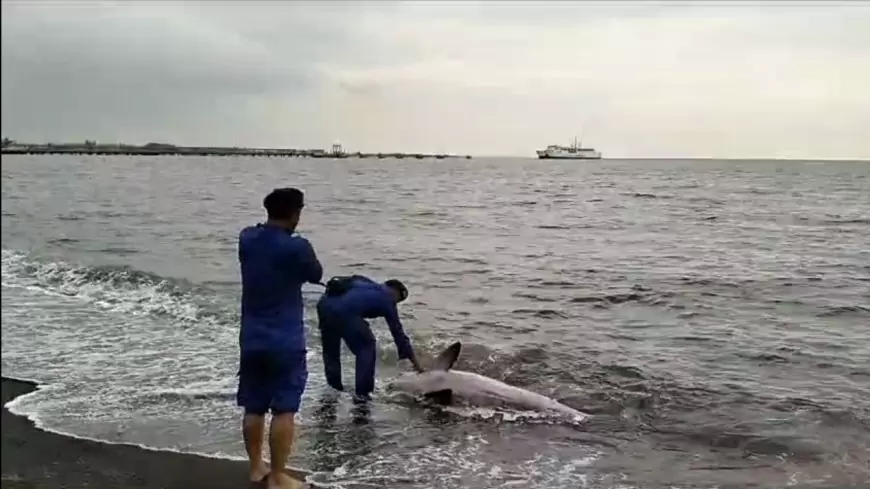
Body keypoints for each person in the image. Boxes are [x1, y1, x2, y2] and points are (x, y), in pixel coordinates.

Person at [236, 187, 323, 489]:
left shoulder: (247, 238)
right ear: (296, 213)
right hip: (285, 340)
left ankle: (256, 467)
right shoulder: (297, 247)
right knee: (285, 408)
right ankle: (278, 476)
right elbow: (315, 273)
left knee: (254, 406)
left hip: (251, 338)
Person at [316, 274, 423, 401]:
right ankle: (362, 395)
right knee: (366, 347)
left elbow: (345, 281)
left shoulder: (364, 281)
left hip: (324, 305)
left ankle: (333, 390)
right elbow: (399, 335)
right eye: (398, 300)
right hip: (346, 312)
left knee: (331, 351)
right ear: (396, 292)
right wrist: (417, 366)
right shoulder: (388, 300)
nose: (396, 304)